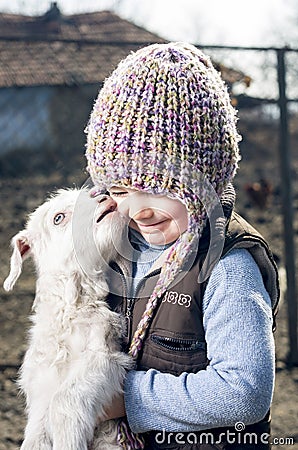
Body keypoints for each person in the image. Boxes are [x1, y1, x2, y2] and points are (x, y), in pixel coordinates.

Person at [85, 42, 279, 450]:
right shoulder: (117, 248)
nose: (138, 209)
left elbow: (244, 392)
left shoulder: (227, 269)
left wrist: (125, 398)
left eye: (160, 187)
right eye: (120, 188)